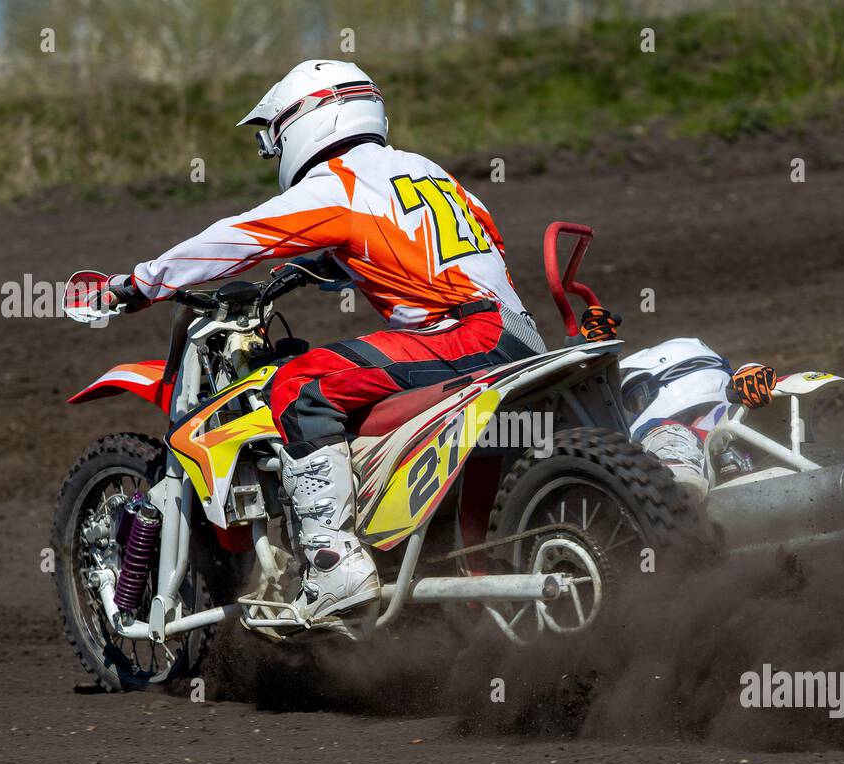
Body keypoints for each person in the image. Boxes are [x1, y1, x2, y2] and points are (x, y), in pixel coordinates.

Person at [96, 60, 547, 622]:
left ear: (303, 122)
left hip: (464, 336)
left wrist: (138, 283)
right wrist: (335, 264)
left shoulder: (337, 184)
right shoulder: (427, 172)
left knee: (301, 381)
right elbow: (455, 248)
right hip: (519, 332)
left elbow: (237, 239)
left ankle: (333, 562)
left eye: (274, 138)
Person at [619, 338, 775, 502]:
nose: (635, 410)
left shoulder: (663, 428)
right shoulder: (734, 410)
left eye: (635, 402)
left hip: (682, 497)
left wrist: (761, 378)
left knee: (661, 430)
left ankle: (672, 475)